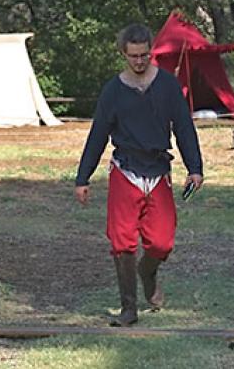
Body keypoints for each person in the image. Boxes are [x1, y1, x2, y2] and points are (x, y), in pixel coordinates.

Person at [75, 23, 204, 326]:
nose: (139, 61)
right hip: (126, 170)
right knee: (122, 242)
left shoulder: (168, 86)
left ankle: (148, 271)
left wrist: (195, 168)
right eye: (133, 56)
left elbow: (184, 128)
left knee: (162, 243)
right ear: (124, 54)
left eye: (144, 55)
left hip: (158, 170)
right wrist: (83, 178)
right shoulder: (113, 91)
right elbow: (97, 136)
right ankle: (128, 308)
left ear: (151, 52)